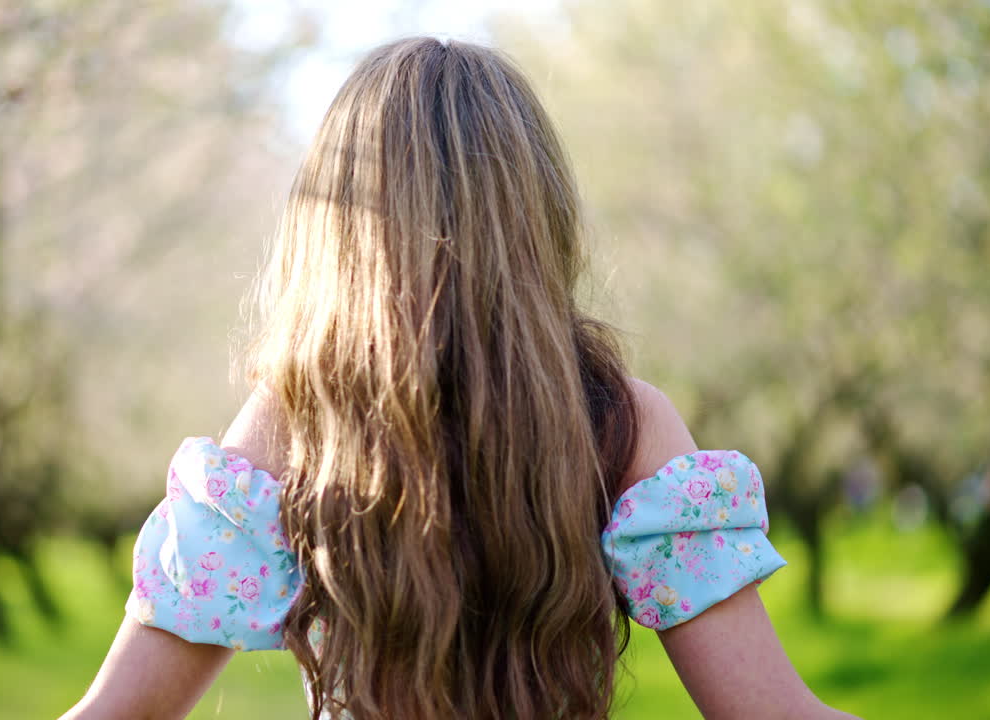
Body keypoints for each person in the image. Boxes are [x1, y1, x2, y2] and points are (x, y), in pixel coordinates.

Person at [61, 36, 857, 720]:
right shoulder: (622, 420)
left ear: (336, 231)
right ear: (539, 215)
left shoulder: (296, 421)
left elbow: (117, 713)